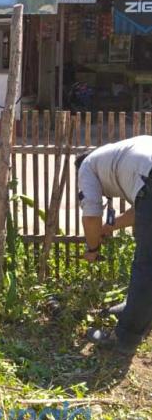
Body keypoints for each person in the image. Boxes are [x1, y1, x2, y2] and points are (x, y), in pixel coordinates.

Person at [77, 136, 152, 356]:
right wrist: (108, 228)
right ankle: (136, 312)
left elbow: (91, 215)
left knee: (146, 266)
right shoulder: (123, 152)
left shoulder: (87, 165)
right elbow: (141, 209)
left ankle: (125, 338)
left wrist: (93, 249)